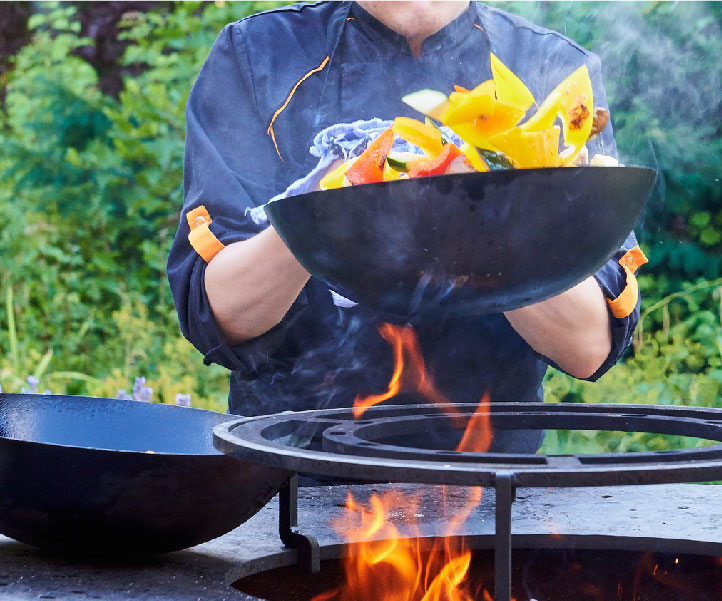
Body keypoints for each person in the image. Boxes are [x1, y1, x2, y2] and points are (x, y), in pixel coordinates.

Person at [167, 1, 647, 429]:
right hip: (288, 475)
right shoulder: (259, 54)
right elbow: (218, 313)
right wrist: (334, 199)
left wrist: (481, 205)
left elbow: (588, 347)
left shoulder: (551, 70)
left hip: (488, 489)